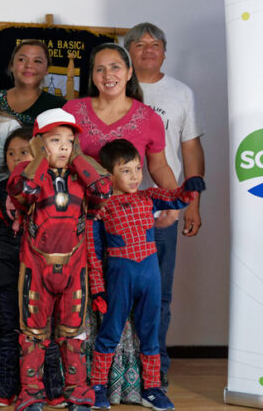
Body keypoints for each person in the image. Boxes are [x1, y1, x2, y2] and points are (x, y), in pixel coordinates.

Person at [63, 42, 178, 405]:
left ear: (129, 73)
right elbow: (54, 157)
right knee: (89, 300)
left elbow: (158, 166)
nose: (108, 75)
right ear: (91, 76)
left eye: (116, 67)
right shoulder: (72, 111)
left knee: (148, 303)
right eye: (100, 68)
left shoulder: (147, 117)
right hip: (79, 221)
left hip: (130, 222)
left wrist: (174, 200)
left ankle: (144, 385)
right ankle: (85, 383)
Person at [87, 140, 204, 411]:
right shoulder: (101, 209)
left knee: (150, 334)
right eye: (126, 170)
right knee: (110, 332)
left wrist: (191, 188)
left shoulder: (148, 196)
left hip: (150, 276)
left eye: (138, 168)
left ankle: (151, 389)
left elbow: (175, 197)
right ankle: (97, 388)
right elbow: (94, 252)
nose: (135, 175)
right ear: (109, 174)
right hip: (120, 277)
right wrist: (98, 289)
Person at [7, 109, 112, 411]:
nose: (65, 147)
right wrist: (39, 155)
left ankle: (78, 392)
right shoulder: (28, 171)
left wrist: (78, 157)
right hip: (36, 267)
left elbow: (104, 188)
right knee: (33, 334)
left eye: (70, 140)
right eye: (55, 140)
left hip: (73, 266)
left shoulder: (81, 176)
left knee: (74, 333)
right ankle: (31, 394)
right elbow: (23, 190)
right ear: (39, 144)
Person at [125, 22, 205, 386]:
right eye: (139, 44)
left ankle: (154, 367)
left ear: (165, 51)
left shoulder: (180, 93)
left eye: (155, 44)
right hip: (118, 210)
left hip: (164, 209)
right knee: (116, 292)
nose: (147, 49)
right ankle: (119, 368)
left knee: (159, 293)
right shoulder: (115, 89)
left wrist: (193, 203)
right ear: (127, 52)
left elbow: (190, 149)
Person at [0, 127, 65, 407]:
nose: (17, 158)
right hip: (7, 274)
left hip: (44, 276)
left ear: (39, 154)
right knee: (6, 329)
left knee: (45, 331)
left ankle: (51, 388)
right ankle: (5, 385)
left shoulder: (53, 188)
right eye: (11, 153)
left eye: (24, 152)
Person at [0, 39, 67, 127]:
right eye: (22, 59)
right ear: (11, 65)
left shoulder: (60, 107)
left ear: (46, 69)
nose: (29, 65)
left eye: (37, 61)